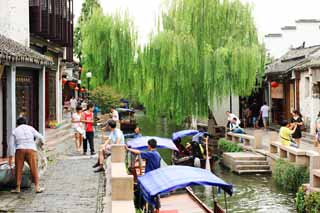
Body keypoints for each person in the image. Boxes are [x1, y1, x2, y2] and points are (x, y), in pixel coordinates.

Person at [7, 117, 45, 193]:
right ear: (26, 122)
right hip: (31, 149)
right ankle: (37, 187)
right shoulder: (30, 128)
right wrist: (43, 144)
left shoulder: (15, 131)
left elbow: (11, 145)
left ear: (17, 124)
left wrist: (10, 158)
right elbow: (40, 136)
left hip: (20, 149)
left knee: (18, 169)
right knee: (34, 168)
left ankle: (18, 188)